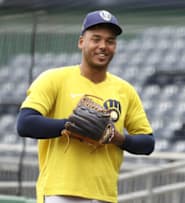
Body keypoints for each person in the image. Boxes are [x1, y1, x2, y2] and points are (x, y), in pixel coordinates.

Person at [16, 10, 155, 203]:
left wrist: (118, 138)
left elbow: (148, 143)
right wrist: (70, 126)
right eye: (96, 39)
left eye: (110, 41)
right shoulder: (54, 79)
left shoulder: (125, 90)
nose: (103, 46)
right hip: (61, 192)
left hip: (104, 194)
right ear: (81, 42)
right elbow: (25, 124)